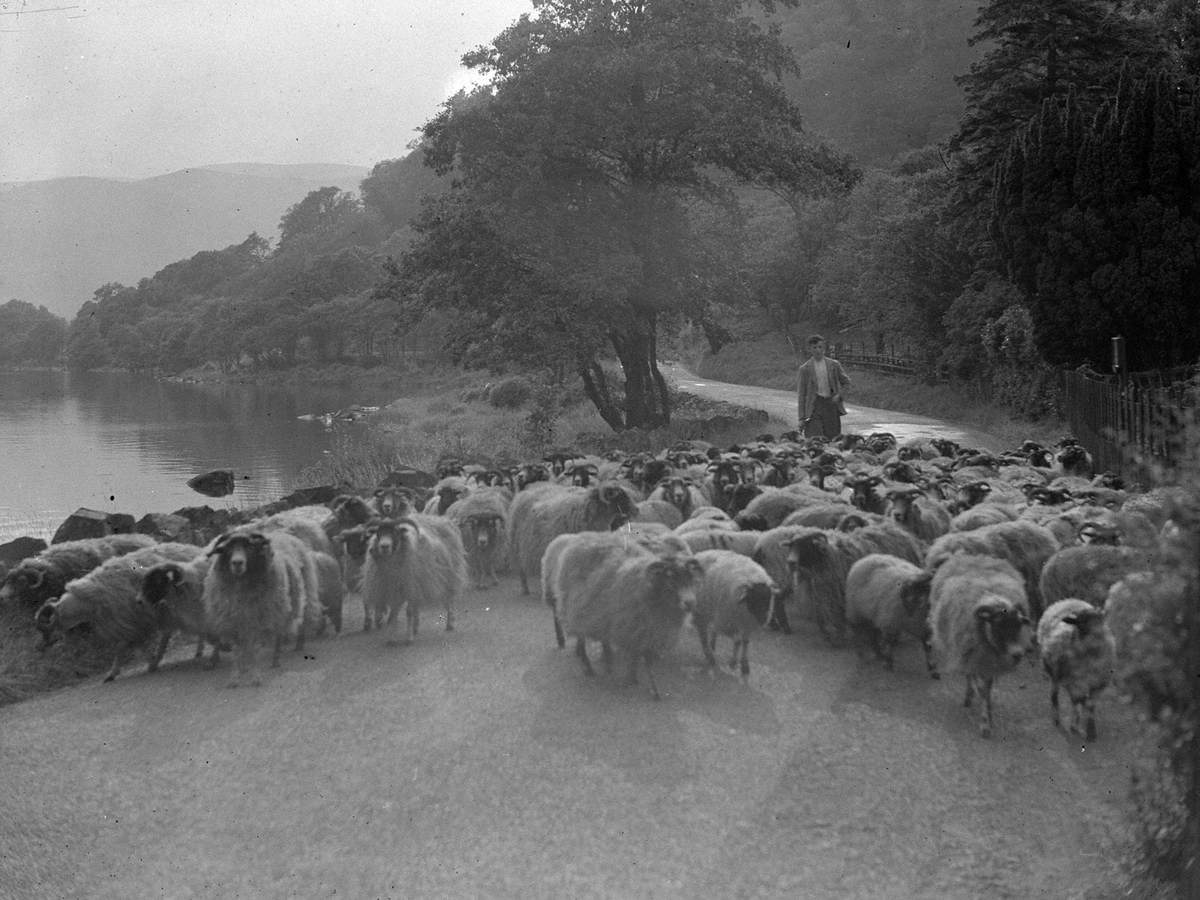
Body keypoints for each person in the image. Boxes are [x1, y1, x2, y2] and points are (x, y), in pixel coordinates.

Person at [797, 334, 851, 439]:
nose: (818, 350)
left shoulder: (834, 365)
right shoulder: (805, 369)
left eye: (820, 347)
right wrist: (801, 418)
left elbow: (846, 382)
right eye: (815, 347)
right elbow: (802, 395)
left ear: (824, 348)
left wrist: (840, 396)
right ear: (810, 349)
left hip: (831, 405)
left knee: (833, 438)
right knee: (815, 439)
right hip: (814, 406)